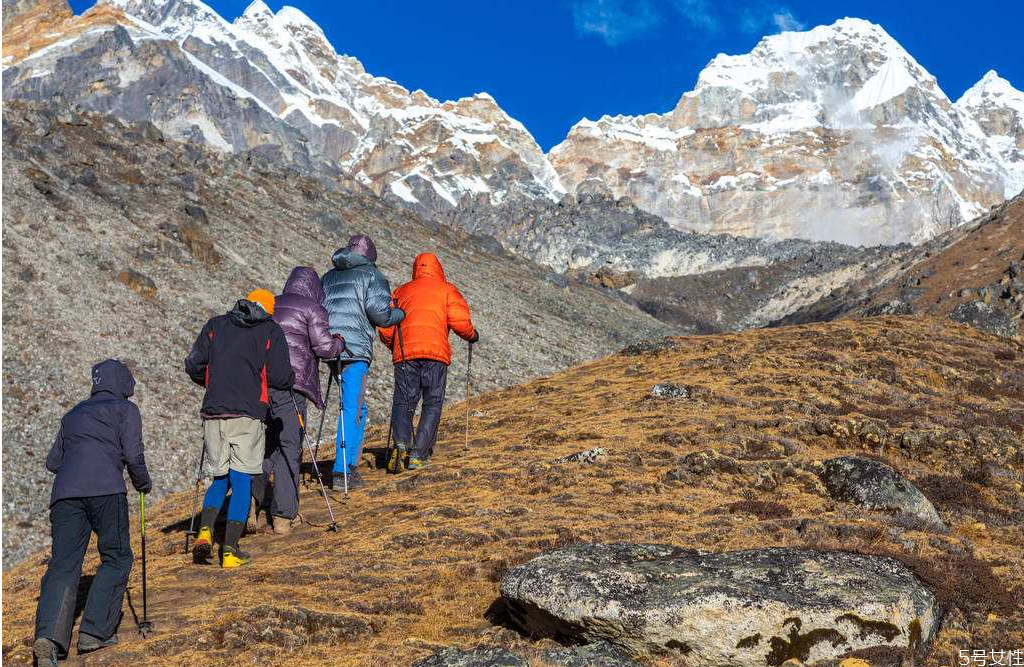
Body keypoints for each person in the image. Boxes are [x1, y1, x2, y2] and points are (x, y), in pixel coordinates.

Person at [33, 359, 152, 666]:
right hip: (105, 490)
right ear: (124, 384)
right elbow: (133, 455)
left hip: (65, 496)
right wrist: (143, 483)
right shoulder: (126, 410)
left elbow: (52, 463)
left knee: (63, 563)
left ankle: (48, 638)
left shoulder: (72, 414)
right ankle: (94, 633)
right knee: (116, 556)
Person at [184, 289, 294, 567]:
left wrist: (212, 383)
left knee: (219, 477)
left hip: (214, 411)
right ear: (268, 311)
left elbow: (194, 364)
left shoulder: (215, 325)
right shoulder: (270, 330)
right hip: (248, 414)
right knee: (242, 478)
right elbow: (281, 377)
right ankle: (230, 550)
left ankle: (206, 532)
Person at [254, 267, 345, 535]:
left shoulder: (272, 304)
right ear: (314, 288)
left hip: (261, 387)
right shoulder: (312, 308)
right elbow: (324, 348)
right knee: (289, 448)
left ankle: (250, 504)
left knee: (262, 447)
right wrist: (339, 342)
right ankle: (282, 517)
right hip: (293, 387)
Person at [379, 253, 477, 471]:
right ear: (438, 269)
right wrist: (472, 335)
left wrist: (393, 346)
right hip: (435, 355)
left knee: (404, 401)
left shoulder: (401, 291)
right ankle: (419, 453)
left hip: (405, 354)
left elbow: (386, 327)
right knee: (432, 403)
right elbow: (460, 322)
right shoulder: (446, 290)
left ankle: (402, 442)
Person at [321, 234, 404, 490]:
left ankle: (351, 464)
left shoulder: (329, 276)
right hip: (355, 349)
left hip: (330, 347)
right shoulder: (371, 274)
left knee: (357, 407)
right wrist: (399, 313)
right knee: (352, 407)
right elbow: (380, 314)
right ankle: (342, 470)